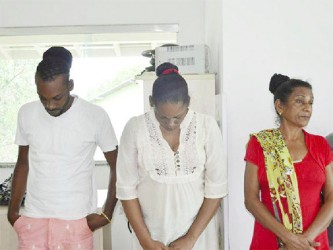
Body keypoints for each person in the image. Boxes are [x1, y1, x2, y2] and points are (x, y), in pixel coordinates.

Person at [7, 46, 118, 250]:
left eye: (56, 98)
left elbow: (118, 165)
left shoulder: (94, 116)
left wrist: (106, 214)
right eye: (43, 98)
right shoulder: (26, 113)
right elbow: (23, 163)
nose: (50, 106)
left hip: (76, 222)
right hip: (33, 220)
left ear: (70, 85)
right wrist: (13, 214)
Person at [116, 62, 228, 250]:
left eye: (178, 116)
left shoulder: (206, 127)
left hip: (198, 238)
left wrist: (191, 238)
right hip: (151, 238)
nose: (171, 123)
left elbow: (216, 188)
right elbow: (126, 190)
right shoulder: (135, 128)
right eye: (163, 117)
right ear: (151, 102)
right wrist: (146, 241)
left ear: (188, 102)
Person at [244, 73, 333, 249]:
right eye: (300, 101)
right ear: (280, 106)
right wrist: (289, 239)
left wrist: (305, 239)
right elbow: (251, 199)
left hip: (313, 243)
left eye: (311, 102)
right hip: (271, 241)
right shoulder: (261, 144)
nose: (307, 108)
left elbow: (332, 196)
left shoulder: (320, 145)